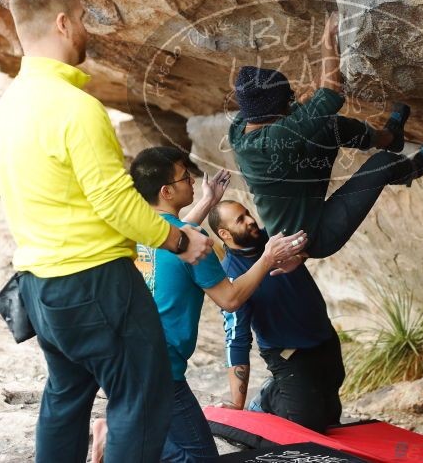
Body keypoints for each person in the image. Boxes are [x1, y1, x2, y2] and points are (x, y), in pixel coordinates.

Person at [0, 0, 213, 463]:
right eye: (85, 18)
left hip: (39, 287)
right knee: (143, 398)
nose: (88, 29)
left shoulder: (7, 107)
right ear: (64, 22)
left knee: (65, 400)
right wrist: (179, 243)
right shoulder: (76, 107)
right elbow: (115, 203)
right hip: (95, 283)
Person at [91, 147, 308, 463]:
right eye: (183, 177)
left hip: (122, 357)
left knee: (180, 444)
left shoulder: (139, 229)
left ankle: (117, 434)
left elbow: (173, 236)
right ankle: (117, 439)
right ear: (167, 191)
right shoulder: (191, 238)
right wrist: (267, 257)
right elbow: (230, 299)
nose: (192, 180)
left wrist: (207, 201)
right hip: (157, 367)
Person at [229, 12, 423, 259]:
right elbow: (330, 94)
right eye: (285, 102)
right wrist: (328, 37)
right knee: (382, 164)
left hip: (301, 179)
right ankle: (414, 168)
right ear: (271, 114)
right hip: (313, 236)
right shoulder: (272, 143)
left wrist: (309, 89)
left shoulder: (242, 124)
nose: (290, 103)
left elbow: (307, 97)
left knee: (328, 127)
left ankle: (390, 137)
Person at [208, 200, 344, 433]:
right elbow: (237, 338)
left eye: (247, 213)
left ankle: (292, 395)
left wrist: (302, 253)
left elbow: (312, 236)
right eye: (240, 220)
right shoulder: (231, 274)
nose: (251, 220)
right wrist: (236, 403)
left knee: (331, 416)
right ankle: (267, 399)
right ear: (224, 233)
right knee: (308, 425)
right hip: (287, 353)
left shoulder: (272, 237)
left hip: (323, 336)